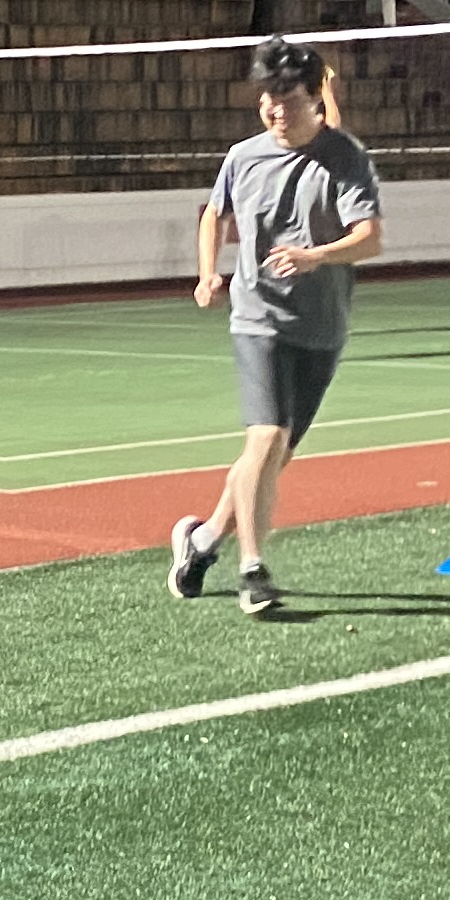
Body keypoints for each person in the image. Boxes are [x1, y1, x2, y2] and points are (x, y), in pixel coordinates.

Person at [169, 39, 384, 621]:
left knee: (272, 457)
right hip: (257, 317)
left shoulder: (345, 157)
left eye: (287, 99)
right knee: (265, 437)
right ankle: (253, 569)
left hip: (321, 326)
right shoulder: (243, 157)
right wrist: (208, 271)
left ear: (316, 99)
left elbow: (370, 238)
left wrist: (317, 256)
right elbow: (215, 214)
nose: (275, 109)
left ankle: (202, 540)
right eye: (268, 98)